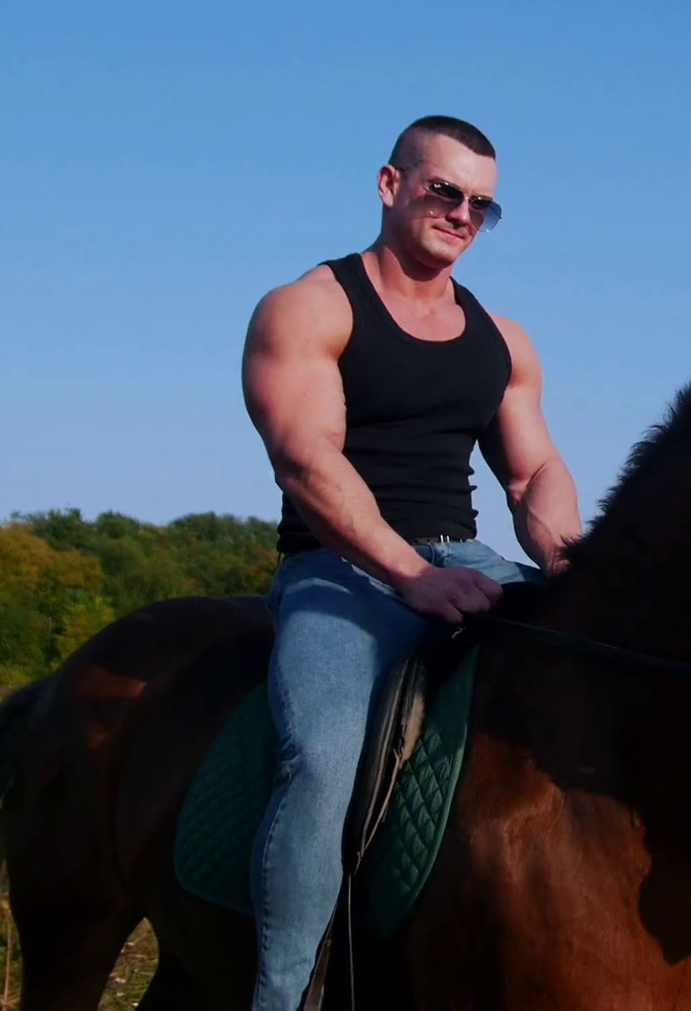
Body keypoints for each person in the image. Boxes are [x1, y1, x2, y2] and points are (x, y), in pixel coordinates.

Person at [239, 114, 581, 1009]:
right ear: (392, 185)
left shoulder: (502, 339)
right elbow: (307, 459)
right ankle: (281, 995)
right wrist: (411, 575)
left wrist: (562, 553)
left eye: (483, 205)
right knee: (321, 754)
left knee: (618, 678)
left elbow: (532, 468)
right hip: (338, 571)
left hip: (467, 557)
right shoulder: (311, 306)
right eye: (445, 191)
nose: (463, 214)